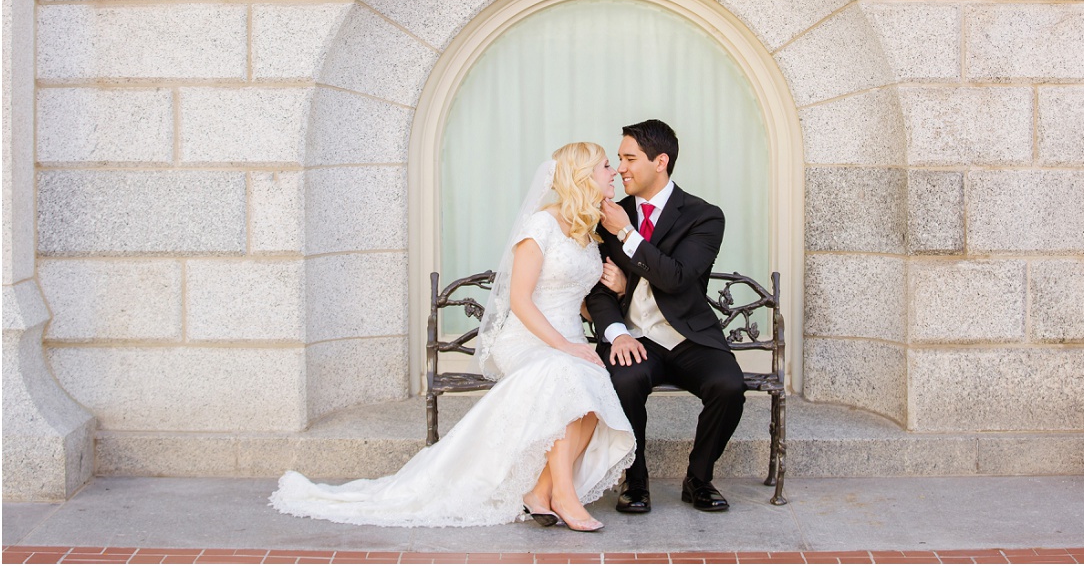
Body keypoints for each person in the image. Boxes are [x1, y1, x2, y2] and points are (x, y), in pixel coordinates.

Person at [270, 143, 636, 530]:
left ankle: (540, 490)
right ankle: (564, 496)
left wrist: (616, 289)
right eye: (606, 166)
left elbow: (572, 296)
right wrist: (563, 346)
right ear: (582, 176)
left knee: (593, 393)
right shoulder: (540, 226)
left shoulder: (587, 230)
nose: (613, 173)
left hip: (568, 338)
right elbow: (522, 300)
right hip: (529, 339)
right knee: (567, 376)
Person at [585, 120, 745, 514]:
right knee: (624, 378)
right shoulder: (607, 215)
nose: (620, 168)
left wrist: (627, 236)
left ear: (660, 161)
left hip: (690, 335)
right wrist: (616, 332)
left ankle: (699, 477)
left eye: (629, 158)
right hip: (637, 337)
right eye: (618, 159)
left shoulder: (704, 217)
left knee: (728, 386)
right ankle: (635, 481)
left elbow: (676, 278)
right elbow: (597, 289)